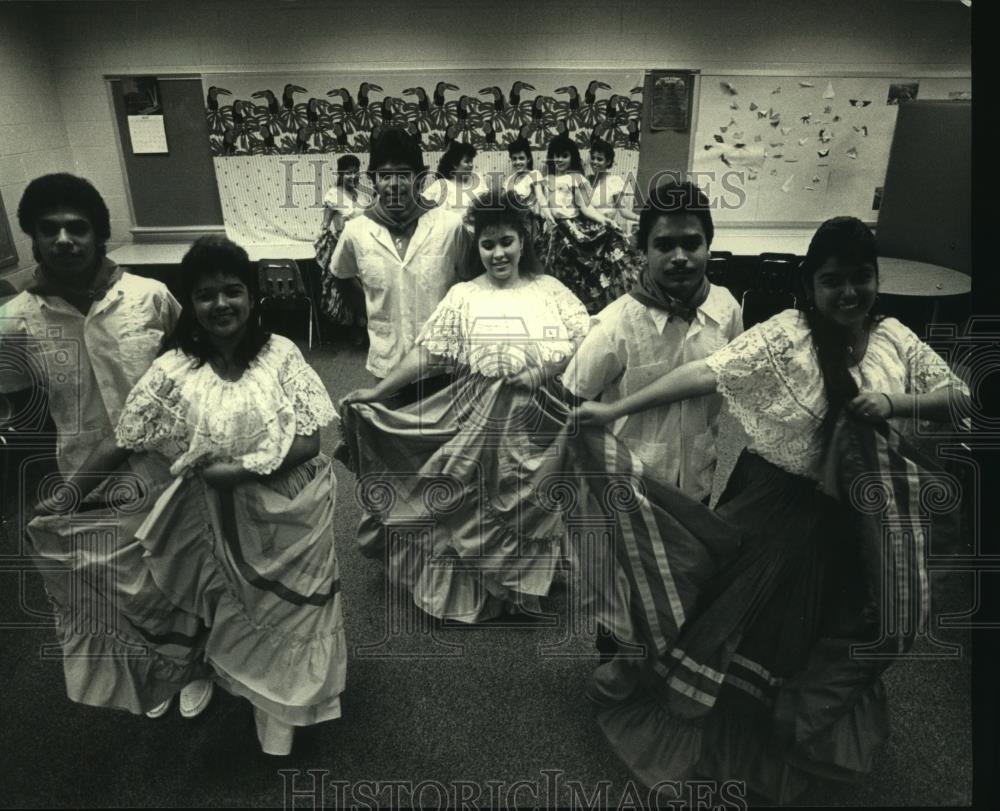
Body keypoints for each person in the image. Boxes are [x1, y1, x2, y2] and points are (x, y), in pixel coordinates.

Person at [573, 216, 971, 801]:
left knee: (818, 635)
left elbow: (961, 399)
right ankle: (731, 742)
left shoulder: (893, 338)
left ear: (875, 280)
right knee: (736, 623)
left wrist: (894, 400)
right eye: (833, 280)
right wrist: (614, 411)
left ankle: (792, 735)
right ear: (810, 285)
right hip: (772, 510)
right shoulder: (787, 335)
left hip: (850, 525)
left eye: (861, 278)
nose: (849, 293)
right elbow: (706, 373)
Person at [30, 236, 346, 757]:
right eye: (206, 295)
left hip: (293, 516)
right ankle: (261, 700)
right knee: (244, 616)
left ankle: (286, 718)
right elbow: (124, 439)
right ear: (191, 304)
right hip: (221, 524)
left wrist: (242, 469)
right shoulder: (175, 368)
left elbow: (310, 439)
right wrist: (67, 497)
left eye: (233, 292)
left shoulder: (280, 353)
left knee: (298, 615)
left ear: (251, 296)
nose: (221, 305)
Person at [0, 173, 214, 721]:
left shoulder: (149, 299)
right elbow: (23, 423)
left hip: (169, 472)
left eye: (78, 228)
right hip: (84, 483)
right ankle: (162, 670)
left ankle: (206, 665)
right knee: (128, 588)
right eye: (50, 230)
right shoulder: (13, 322)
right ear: (32, 238)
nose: (65, 240)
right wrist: (39, 495)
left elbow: (197, 381)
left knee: (187, 575)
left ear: (100, 234)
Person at [337, 188, 591, 622]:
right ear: (476, 246)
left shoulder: (550, 289)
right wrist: (378, 393)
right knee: (467, 500)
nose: (498, 253)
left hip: (538, 415)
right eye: (487, 244)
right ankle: (477, 596)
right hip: (477, 414)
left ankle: (519, 591)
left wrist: (542, 371)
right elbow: (429, 354)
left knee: (532, 504)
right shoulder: (463, 295)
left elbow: (584, 339)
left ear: (523, 240)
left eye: (506, 241)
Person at [328, 126, 471, 405]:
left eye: (404, 175)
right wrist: (372, 313)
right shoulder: (356, 230)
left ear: (419, 179)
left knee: (445, 444)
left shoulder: (450, 226)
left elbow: (472, 288)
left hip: (445, 367)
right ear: (373, 180)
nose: (394, 184)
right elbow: (341, 275)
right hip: (387, 365)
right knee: (392, 440)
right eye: (385, 176)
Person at [538, 133, 644, 315]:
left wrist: (606, 220)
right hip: (556, 231)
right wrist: (548, 219)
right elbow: (542, 206)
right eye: (556, 155)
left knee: (587, 265)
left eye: (564, 155)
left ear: (571, 157)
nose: (559, 159)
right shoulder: (545, 180)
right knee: (558, 269)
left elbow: (585, 208)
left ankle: (595, 304)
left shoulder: (577, 179)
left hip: (573, 227)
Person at [316, 154, 374, 345]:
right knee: (351, 289)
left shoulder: (362, 195)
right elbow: (325, 225)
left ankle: (365, 325)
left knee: (367, 287)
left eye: (355, 172)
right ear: (341, 174)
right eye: (348, 172)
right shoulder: (334, 195)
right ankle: (355, 328)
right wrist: (327, 248)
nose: (353, 176)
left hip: (364, 248)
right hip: (345, 248)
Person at [421, 140, 487, 219]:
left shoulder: (478, 179)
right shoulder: (441, 185)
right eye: (467, 161)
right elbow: (423, 206)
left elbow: (488, 205)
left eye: (471, 161)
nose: (471, 165)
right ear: (455, 164)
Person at [586, 138, 640, 235]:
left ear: (608, 161)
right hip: (583, 231)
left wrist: (640, 218)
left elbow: (623, 211)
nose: (594, 162)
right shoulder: (585, 180)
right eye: (593, 158)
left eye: (599, 159)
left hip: (604, 232)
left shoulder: (614, 182)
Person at [503, 136, 547, 246]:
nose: (518, 162)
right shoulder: (508, 181)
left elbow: (540, 197)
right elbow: (504, 203)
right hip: (512, 223)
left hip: (530, 222)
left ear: (528, 159)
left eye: (521, 158)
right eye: (514, 158)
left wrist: (548, 216)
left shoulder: (534, 174)